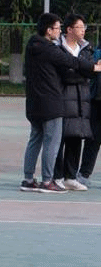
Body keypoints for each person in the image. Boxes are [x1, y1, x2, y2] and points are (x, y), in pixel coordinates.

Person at [18, 12, 101, 193]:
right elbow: (70, 61)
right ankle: (48, 181)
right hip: (51, 103)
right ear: (49, 30)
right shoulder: (50, 49)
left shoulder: (32, 45)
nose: (59, 31)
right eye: (57, 28)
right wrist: (93, 67)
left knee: (35, 140)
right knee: (52, 143)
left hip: (34, 103)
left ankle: (28, 179)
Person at [53, 14, 93, 191]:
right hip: (61, 98)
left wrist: (83, 71)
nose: (83, 30)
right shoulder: (58, 49)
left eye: (84, 27)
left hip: (81, 99)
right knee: (58, 139)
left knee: (76, 137)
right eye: (79, 27)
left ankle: (71, 177)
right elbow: (64, 74)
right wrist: (83, 71)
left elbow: (91, 72)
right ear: (69, 29)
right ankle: (57, 176)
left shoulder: (86, 49)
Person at [78, 39, 101, 186]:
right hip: (97, 101)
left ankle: (84, 173)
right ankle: (84, 173)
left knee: (93, 139)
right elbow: (90, 70)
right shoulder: (97, 53)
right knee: (93, 139)